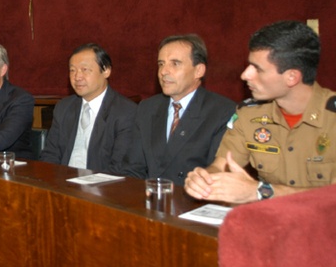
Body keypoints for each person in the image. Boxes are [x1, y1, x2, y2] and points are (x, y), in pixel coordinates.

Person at [185, 20, 336, 203]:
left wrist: (262, 191)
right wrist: (204, 180)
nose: (245, 75)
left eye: (258, 69)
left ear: (292, 77)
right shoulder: (250, 115)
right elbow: (221, 166)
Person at [132, 34, 235, 185]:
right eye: (161, 64)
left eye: (175, 63)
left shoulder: (222, 112)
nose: (163, 71)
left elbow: (218, 171)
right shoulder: (147, 108)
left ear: (198, 70)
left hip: (194, 195)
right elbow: (134, 166)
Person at [40, 43, 140, 176]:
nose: (77, 77)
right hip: (62, 183)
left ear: (106, 70)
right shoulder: (64, 107)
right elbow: (50, 155)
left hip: (102, 185)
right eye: (72, 70)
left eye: (85, 69)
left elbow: (120, 167)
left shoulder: (126, 112)